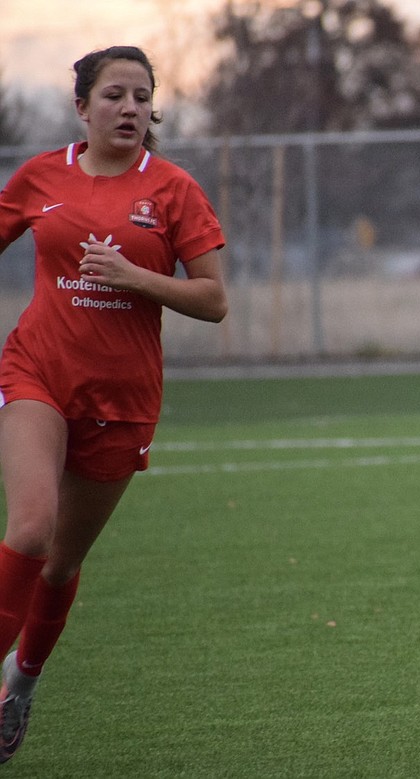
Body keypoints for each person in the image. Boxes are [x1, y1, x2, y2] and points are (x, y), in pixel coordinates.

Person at [0, 46, 228, 762]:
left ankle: (22, 686)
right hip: (38, 371)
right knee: (31, 526)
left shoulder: (172, 189)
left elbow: (215, 300)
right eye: (114, 95)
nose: (129, 108)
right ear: (82, 107)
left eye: (141, 96)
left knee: (61, 563)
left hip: (122, 400)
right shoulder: (41, 175)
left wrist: (134, 275)